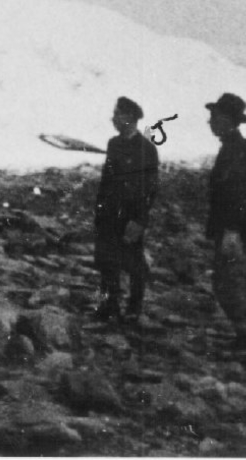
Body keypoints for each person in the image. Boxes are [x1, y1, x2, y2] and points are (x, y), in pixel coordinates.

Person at [203, 92, 246, 352]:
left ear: (228, 120)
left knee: (229, 283)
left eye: (214, 117)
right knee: (234, 281)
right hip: (237, 230)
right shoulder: (233, 147)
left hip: (236, 231)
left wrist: (231, 231)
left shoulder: (236, 150)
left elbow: (239, 195)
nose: (210, 122)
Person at [92, 96, 159, 322]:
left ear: (129, 117)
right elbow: (106, 180)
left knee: (134, 263)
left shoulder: (147, 149)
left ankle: (134, 309)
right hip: (110, 214)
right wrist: (99, 210)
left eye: (117, 114)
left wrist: (140, 221)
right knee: (106, 262)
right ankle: (108, 306)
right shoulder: (114, 144)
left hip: (131, 217)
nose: (113, 119)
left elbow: (149, 189)